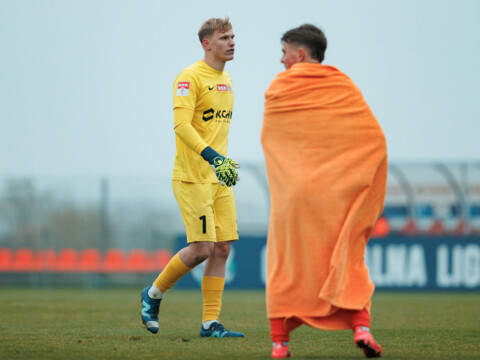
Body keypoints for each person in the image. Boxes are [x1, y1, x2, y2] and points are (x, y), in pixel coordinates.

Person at [261, 24, 387, 358]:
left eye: (285, 54)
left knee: (286, 262)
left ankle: (279, 344)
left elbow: (273, 137)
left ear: (300, 54)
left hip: (295, 196)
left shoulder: (282, 86)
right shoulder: (344, 86)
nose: (281, 61)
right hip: (338, 197)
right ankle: (361, 328)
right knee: (347, 256)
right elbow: (372, 139)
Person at [140, 16, 244, 338]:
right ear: (207, 43)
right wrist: (213, 157)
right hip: (192, 177)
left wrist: (221, 163)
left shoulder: (227, 81)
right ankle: (152, 295)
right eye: (225, 37)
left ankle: (210, 324)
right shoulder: (188, 77)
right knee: (202, 249)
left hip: (218, 178)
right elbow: (182, 127)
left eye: (233, 37)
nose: (232, 42)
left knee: (223, 248)